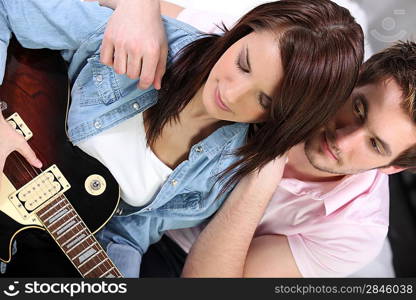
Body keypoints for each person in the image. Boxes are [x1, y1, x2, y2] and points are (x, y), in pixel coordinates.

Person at [0, 0, 364, 277]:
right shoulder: (148, 40)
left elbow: (125, 232)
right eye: (244, 63)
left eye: (264, 100)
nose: (232, 94)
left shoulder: (221, 172)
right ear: (242, 32)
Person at [100, 1, 416, 277]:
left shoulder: (357, 231)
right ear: (353, 78)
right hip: (115, 174)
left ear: (392, 167)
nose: (343, 140)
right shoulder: (284, 68)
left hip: (178, 253)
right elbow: (139, 14)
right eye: (358, 109)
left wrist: (263, 175)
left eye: (375, 144)